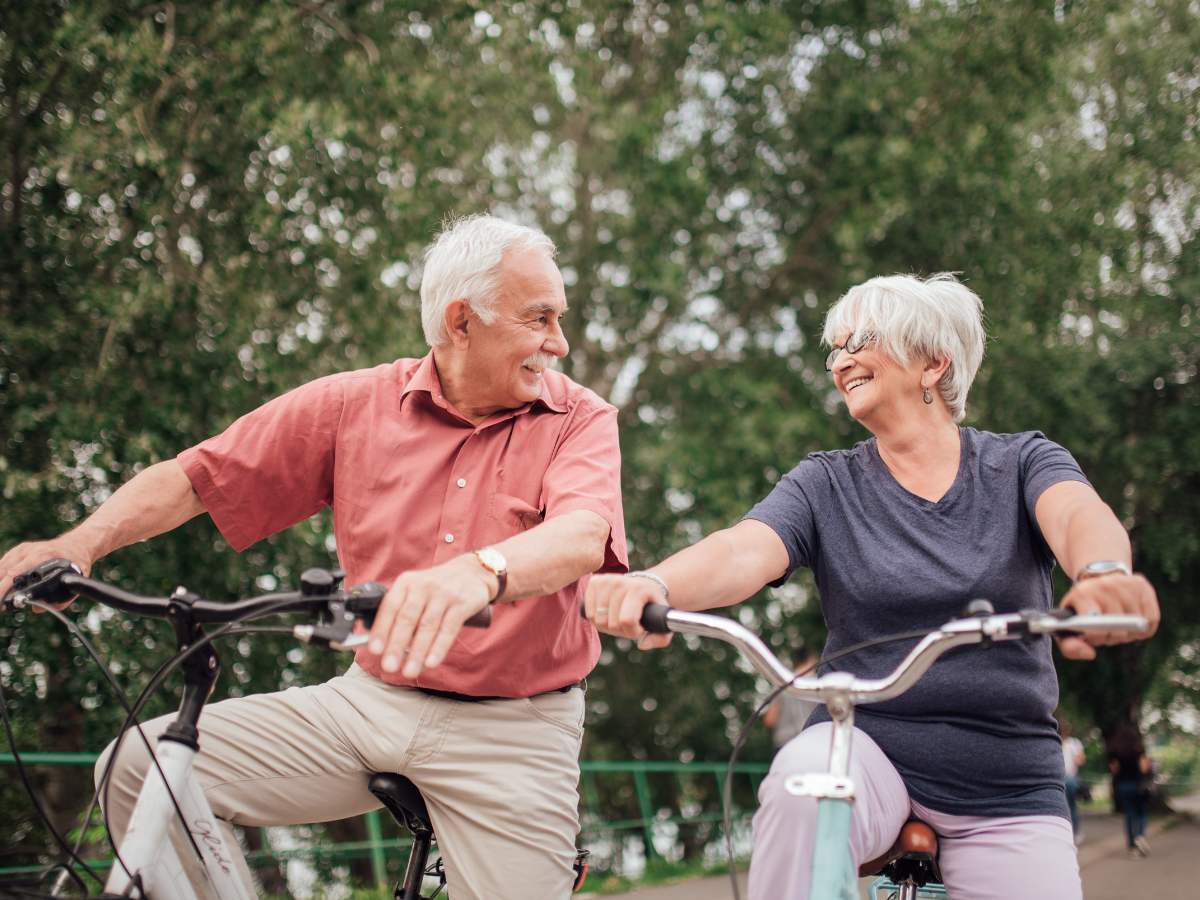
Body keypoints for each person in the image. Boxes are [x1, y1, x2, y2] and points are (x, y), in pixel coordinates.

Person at [0, 215, 627, 900]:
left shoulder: (579, 418)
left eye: (558, 320)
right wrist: (79, 543)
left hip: (514, 727)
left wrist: (481, 573)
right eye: (539, 320)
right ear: (461, 321)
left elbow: (580, 537)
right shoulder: (352, 405)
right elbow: (196, 478)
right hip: (368, 704)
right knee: (136, 767)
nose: (559, 344)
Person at [584, 273, 1160, 900]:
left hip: (1005, 776)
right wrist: (655, 581)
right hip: (865, 747)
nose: (841, 360)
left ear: (933, 363)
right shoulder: (826, 484)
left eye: (860, 340)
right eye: (834, 348)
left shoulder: (1020, 463)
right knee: (801, 787)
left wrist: (1104, 575)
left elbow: (1078, 515)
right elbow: (742, 547)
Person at [762, 643, 820, 752]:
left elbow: (770, 720)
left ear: (795, 661)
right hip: (809, 743)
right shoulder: (818, 684)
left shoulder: (781, 683)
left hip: (783, 746)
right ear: (812, 659)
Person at [1108, 721, 1152, 857]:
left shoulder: (1115, 750)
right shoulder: (1139, 748)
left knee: (1130, 815)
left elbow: (1115, 770)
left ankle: (1132, 846)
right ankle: (1140, 837)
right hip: (1138, 786)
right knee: (1142, 814)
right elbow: (1144, 768)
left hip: (1123, 785)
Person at [1058, 719, 1086, 844]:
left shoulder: (1054, 742)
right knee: (1073, 807)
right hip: (1071, 778)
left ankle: (1064, 834)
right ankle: (1076, 833)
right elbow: (1081, 761)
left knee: (1062, 808)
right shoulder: (1074, 743)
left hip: (1058, 779)